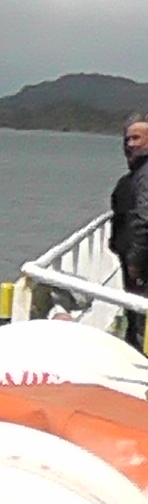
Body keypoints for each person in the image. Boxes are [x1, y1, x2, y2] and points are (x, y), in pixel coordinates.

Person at [114, 113, 148, 347]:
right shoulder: (138, 173)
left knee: (139, 321)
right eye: (127, 139)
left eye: (137, 138)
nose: (130, 144)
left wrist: (136, 262)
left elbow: (144, 220)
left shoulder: (144, 176)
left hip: (142, 266)